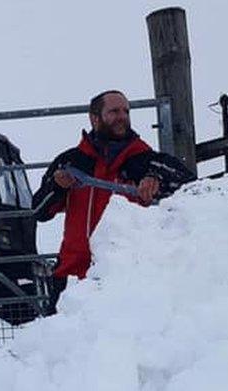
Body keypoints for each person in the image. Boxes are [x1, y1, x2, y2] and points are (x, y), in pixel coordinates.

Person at [33, 89, 192, 312]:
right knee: (64, 344)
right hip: (72, 276)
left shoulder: (146, 159)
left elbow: (190, 185)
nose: (122, 117)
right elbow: (39, 211)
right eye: (114, 111)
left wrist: (155, 177)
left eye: (126, 111)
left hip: (127, 280)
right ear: (94, 118)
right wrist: (57, 186)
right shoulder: (70, 161)